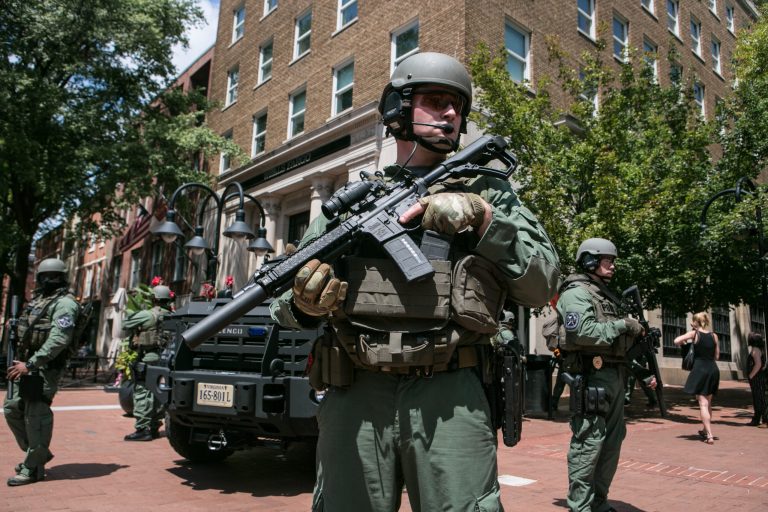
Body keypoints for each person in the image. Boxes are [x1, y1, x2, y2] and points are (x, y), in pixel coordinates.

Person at [271, 51, 560, 512]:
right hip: (355, 389)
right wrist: (305, 302)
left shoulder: (489, 190)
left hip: (451, 391)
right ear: (397, 109)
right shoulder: (353, 202)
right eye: (435, 100)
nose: (450, 113)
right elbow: (283, 302)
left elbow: (543, 284)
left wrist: (484, 219)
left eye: (457, 106)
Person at [556, 238, 654, 512]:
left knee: (611, 443)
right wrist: (623, 325)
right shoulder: (576, 293)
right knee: (589, 442)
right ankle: (581, 505)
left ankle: (599, 503)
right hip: (591, 377)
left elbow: (618, 343)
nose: (612, 265)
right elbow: (583, 333)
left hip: (615, 376)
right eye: (607, 260)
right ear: (590, 261)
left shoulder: (606, 295)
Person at [4, 258, 80, 486]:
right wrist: (14, 326)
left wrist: (31, 364)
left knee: (35, 417)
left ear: (62, 278)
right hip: (27, 366)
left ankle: (33, 467)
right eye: (45, 277)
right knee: (11, 409)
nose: (49, 280)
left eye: (54, 276)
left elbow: (60, 338)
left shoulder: (65, 304)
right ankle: (36, 455)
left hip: (43, 368)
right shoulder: (40, 301)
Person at [123, 285, 173, 441]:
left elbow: (125, 324)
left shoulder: (147, 315)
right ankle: (153, 426)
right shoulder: (173, 315)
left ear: (154, 299)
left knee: (142, 392)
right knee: (158, 392)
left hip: (148, 358)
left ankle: (143, 429)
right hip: (165, 360)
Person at [674, 312, 720, 444]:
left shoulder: (694, 334)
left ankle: (709, 435)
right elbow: (717, 356)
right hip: (713, 369)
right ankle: (705, 430)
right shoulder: (714, 335)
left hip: (700, 369)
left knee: (703, 404)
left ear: (696, 322)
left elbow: (676, 340)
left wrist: (689, 337)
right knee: (708, 402)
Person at [745, 331, 766, 427]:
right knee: (759, 397)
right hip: (758, 377)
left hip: (756, 378)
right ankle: (759, 418)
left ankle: (760, 419)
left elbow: (758, 364)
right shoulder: (759, 349)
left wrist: (751, 375)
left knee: (758, 398)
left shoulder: (755, 350)